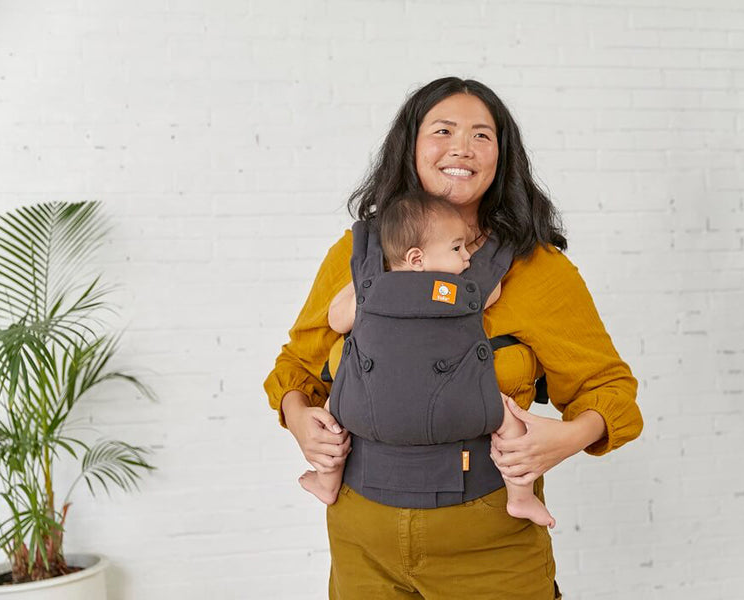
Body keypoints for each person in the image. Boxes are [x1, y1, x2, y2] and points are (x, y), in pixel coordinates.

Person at [264, 77, 643, 599]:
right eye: (443, 130)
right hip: (361, 545)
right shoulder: (355, 258)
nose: (462, 147)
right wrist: (298, 417)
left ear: (501, 157)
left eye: (482, 136)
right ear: (411, 146)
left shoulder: (538, 270)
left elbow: (610, 389)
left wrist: (567, 438)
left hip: (490, 551)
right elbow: (297, 371)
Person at [298, 189, 556, 529]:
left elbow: (336, 319)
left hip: (370, 405)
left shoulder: (370, 288)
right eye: (456, 248)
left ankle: (326, 480)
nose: (466, 257)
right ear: (417, 258)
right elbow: (490, 292)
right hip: (457, 403)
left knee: (332, 421)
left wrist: (362, 284)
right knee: (512, 424)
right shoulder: (461, 288)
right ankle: (520, 497)